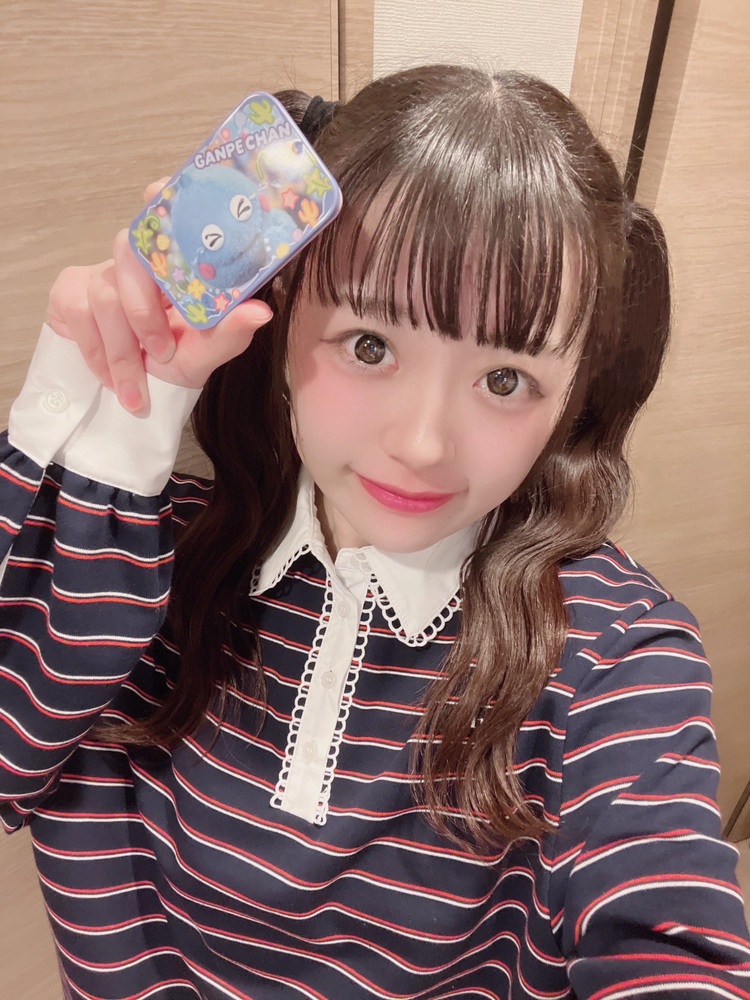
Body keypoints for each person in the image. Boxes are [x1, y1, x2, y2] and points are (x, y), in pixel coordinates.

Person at [1, 64, 748, 999]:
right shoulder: (139, 549)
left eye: (506, 380)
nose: (422, 446)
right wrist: (114, 412)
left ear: (570, 400)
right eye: (370, 345)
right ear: (282, 325)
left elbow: (667, 942)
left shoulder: (614, 649)